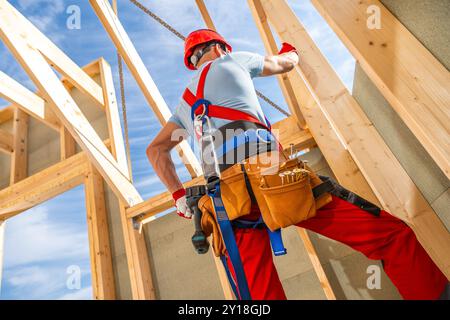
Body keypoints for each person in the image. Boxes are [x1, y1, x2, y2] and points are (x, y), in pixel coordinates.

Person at [146, 29, 448, 300]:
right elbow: (284, 63)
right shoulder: (233, 61)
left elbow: (156, 151)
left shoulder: (185, 104)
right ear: (219, 48)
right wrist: (291, 50)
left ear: (193, 60)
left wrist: (178, 198)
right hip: (272, 175)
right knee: (391, 237)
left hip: (226, 202)